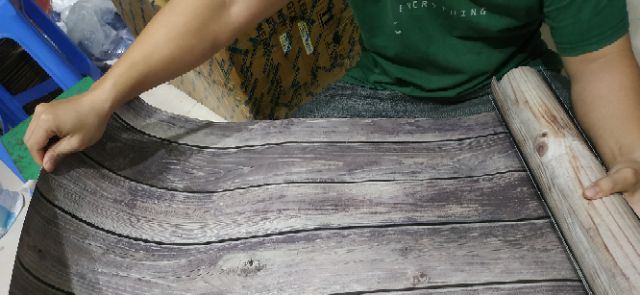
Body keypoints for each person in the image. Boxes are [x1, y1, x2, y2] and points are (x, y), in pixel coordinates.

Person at [23, 0, 640, 214]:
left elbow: (599, 65)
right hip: (385, 91)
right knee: (274, 209)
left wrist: (628, 157)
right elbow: (224, 9)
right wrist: (102, 97)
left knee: (581, 221)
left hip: (518, 93)